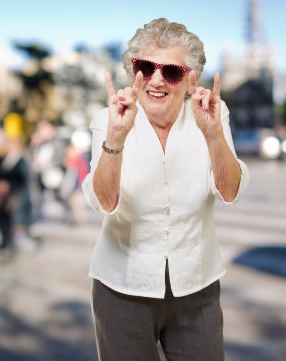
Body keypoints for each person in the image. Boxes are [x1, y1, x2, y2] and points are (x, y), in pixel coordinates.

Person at [82, 18, 250, 361]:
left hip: (196, 287)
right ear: (134, 73)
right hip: (122, 289)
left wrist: (213, 133)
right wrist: (116, 137)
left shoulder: (212, 114)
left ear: (191, 80)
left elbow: (230, 191)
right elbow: (104, 202)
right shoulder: (110, 117)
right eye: (145, 67)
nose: (156, 79)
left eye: (171, 71)